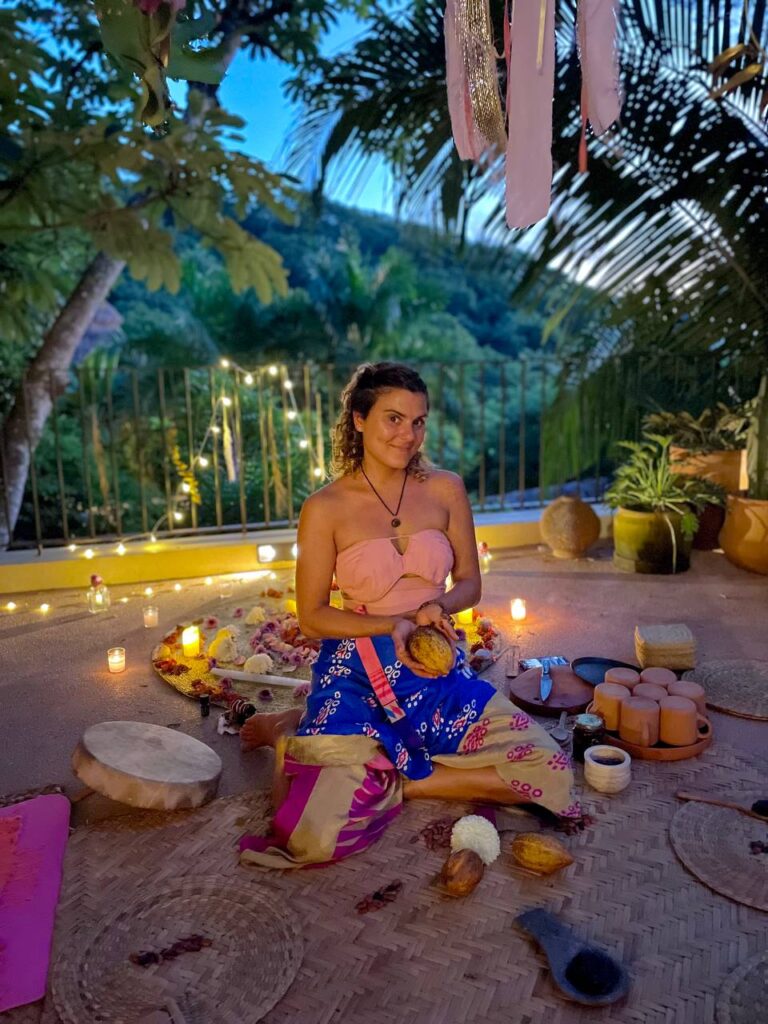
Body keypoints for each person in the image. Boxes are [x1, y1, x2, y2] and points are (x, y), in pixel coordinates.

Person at [239, 362, 579, 868]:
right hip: (356, 667)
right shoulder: (325, 508)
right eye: (393, 419)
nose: (408, 435)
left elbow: (470, 583)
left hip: (434, 666)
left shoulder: (445, 489)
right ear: (358, 419)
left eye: (418, 421)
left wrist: (435, 606)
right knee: (314, 835)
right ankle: (292, 732)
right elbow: (311, 617)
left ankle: (393, 778)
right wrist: (390, 625)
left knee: (552, 769)